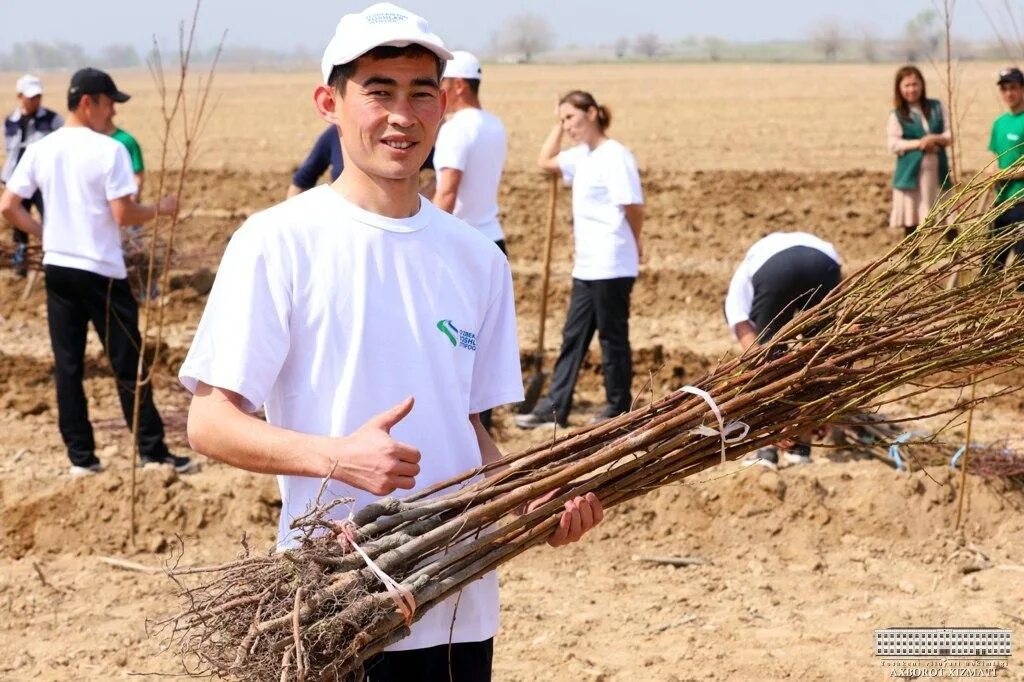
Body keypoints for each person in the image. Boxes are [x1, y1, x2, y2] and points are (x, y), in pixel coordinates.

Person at [178, 5, 602, 680]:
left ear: (444, 108)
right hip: (335, 602)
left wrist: (529, 503)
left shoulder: (475, 258)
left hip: (460, 598)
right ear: (330, 102)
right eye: (379, 91)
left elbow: (469, 429)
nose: (402, 116)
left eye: (421, 93)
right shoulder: (278, 242)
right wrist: (336, 457)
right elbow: (209, 420)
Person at [0, 68, 192, 477]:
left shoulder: (41, 148)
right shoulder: (110, 151)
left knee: (68, 366)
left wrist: (44, 233)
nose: (112, 115)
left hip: (59, 269)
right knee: (129, 364)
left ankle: (81, 459)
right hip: (102, 272)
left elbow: (8, 206)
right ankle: (152, 452)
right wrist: (162, 208)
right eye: (109, 105)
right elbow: (123, 215)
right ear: (88, 102)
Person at [516, 90, 644, 429]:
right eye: (563, 120)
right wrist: (556, 124)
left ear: (592, 113)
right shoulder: (581, 157)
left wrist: (636, 242)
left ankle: (618, 406)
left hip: (613, 261)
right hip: (586, 263)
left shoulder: (616, 156)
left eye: (570, 118)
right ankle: (555, 407)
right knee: (573, 336)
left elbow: (633, 206)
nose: (567, 126)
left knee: (611, 337)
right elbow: (545, 161)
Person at [431, 49, 508, 432]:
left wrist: (424, 240)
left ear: (458, 85)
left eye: (441, 85)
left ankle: (459, 428)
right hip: (492, 240)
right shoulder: (495, 125)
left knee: (451, 340)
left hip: (459, 245)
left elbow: (447, 192)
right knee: (479, 343)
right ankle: (482, 425)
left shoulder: (456, 130)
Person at [724, 231, 842, 468]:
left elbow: (754, 350)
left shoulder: (734, 300)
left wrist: (773, 366)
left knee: (769, 364)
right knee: (817, 355)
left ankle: (766, 451)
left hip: (775, 269)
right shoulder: (763, 254)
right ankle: (801, 449)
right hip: (825, 262)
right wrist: (824, 404)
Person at [2, 74, 63, 277]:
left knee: (50, 217)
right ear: (19, 96)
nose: (35, 100)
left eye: (38, 96)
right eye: (30, 97)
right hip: (18, 180)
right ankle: (21, 264)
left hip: (43, 180)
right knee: (19, 223)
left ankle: (53, 259)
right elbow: (11, 153)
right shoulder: (9, 122)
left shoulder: (53, 120)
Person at [887, 65, 952, 239]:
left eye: (915, 84)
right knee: (912, 219)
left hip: (938, 172)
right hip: (910, 175)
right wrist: (919, 143)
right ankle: (912, 261)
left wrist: (934, 139)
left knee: (948, 217)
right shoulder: (897, 115)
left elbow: (949, 134)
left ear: (922, 85)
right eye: (907, 85)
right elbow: (893, 144)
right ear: (899, 89)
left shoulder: (937, 107)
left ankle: (956, 258)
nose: (912, 89)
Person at [286, 125, 435, 197]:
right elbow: (302, 180)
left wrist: (423, 197)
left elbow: (447, 173)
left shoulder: (403, 138)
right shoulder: (335, 135)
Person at [987, 66, 1024, 270]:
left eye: (1013, 87)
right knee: (991, 263)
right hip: (1001, 202)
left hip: (1022, 202)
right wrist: (992, 172)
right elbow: (995, 158)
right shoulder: (999, 123)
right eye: (1004, 89)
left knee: (1021, 266)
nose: (1009, 93)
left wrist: (1006, 174)